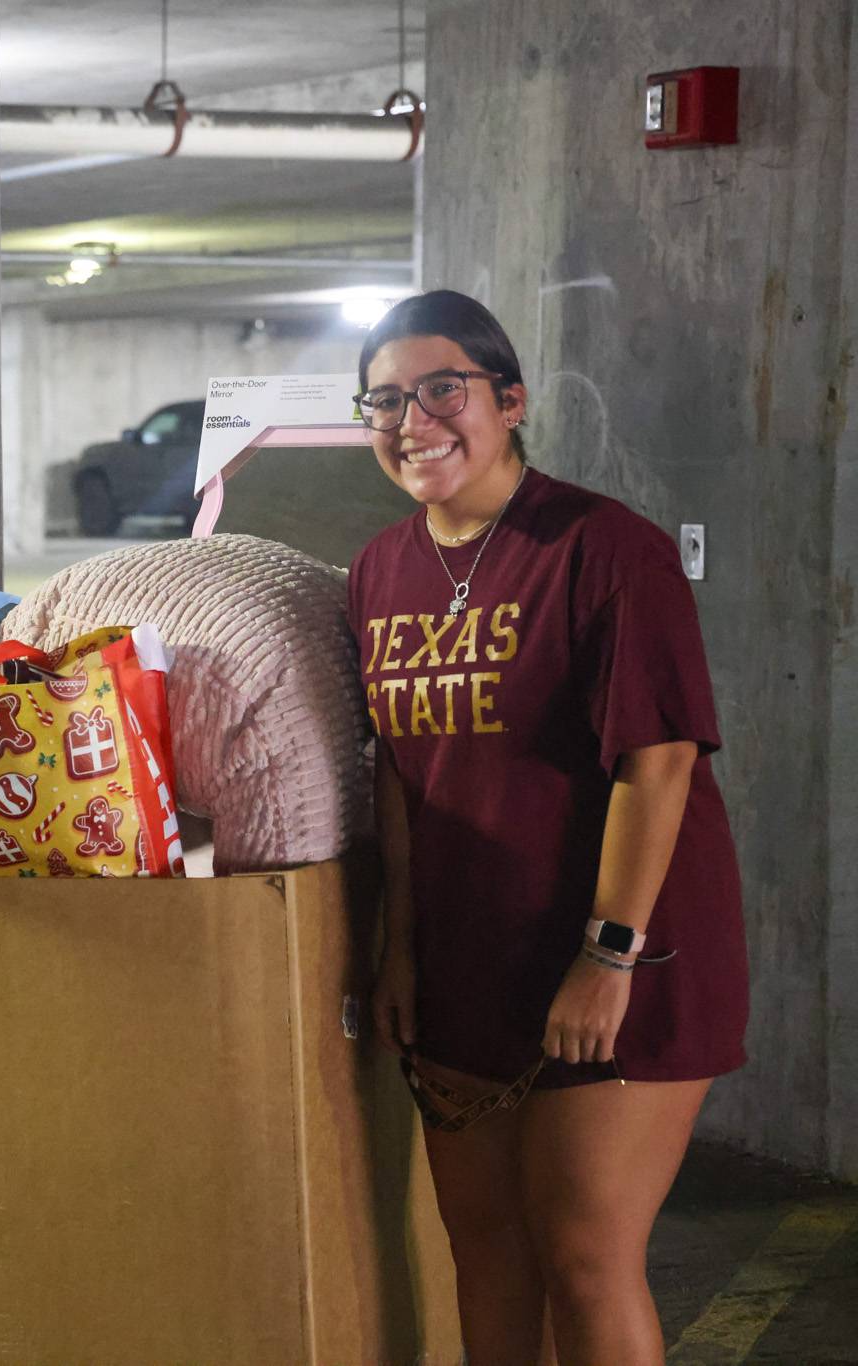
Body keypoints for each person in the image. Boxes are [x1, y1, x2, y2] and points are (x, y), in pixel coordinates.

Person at [346, 290, 747, 1365]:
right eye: (383, 400)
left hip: (622, 956)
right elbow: (397, 771)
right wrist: (398, 949)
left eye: (442, 390)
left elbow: (654, 761)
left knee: (581, 1253)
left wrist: (605, 954)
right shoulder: (378, 572)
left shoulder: (603, 549)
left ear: (508, 401)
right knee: (485, 1252)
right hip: (468, 959)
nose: (411, 419)